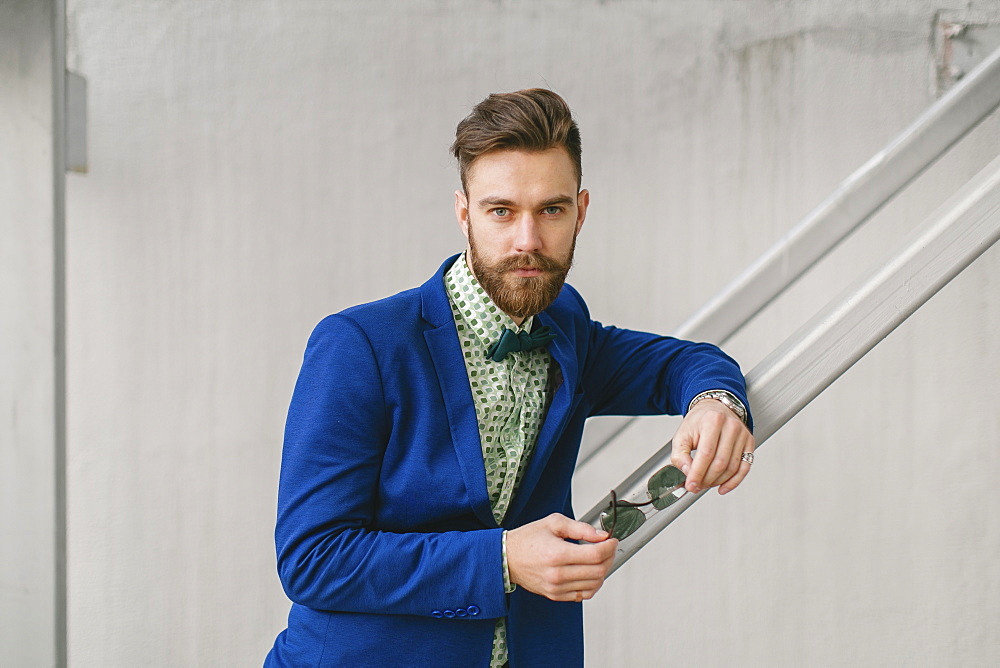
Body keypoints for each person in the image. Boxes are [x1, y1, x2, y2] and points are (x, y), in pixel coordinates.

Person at [265, 88, 755, 667]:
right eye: (502, 211)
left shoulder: (566, 327)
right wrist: (501, 559)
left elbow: (683, 363)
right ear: (464, 212)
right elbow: (313, 558)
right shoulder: (359, 345)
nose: (528, 240)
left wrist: (717, 402)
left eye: (551, 209)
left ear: (582, 210)